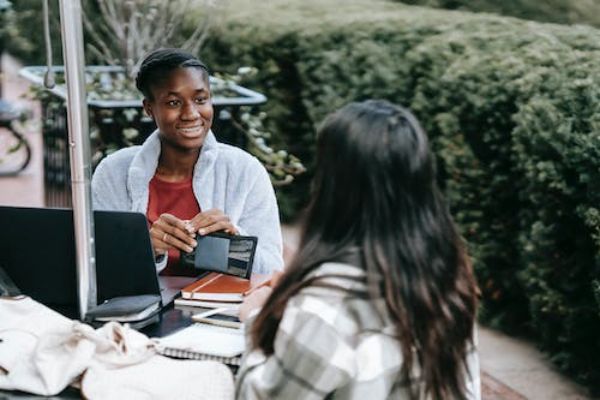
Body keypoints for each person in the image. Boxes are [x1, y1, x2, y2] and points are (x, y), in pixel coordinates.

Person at [237, 100, 481, 399]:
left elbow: (260, 395)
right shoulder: (448, 283)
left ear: (335, 187)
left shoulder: (326, 304)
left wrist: (256, 317)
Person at [91, 48, 283, 276]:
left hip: (220, 300)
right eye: (173, 102)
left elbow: (272, 270)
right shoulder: (113, 172)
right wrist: (145, 249)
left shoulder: (245, 171)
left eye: (200, 100)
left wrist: (237, 242)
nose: (191, 113)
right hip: (141, 300)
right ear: (149, 108)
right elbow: (95, 267)